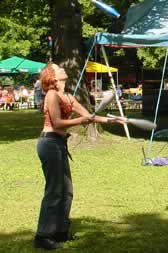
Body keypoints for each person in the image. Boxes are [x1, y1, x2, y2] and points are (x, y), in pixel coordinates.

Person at [34, 63, 124, 250]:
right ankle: (43, 236)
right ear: (53, 76)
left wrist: (111, 119)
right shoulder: (52, 94)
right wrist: (81, 120)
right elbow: (58, 123)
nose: (62, 69)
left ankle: (60, 231)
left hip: (59, 143)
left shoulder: (68, 96)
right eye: (58, 68)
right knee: (54, 190)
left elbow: (89, 116)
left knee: (66, 191)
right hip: (49, 143)